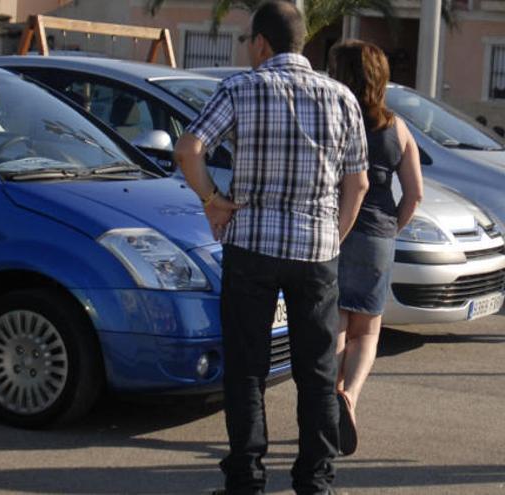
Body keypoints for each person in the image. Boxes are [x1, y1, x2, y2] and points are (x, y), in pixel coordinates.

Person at [173, 2, 370, 494]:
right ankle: (316, 481)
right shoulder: (341, 97)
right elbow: (359, 184)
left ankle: (245, 478)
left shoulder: (240, 88)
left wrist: (212, 201)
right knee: (319, 372)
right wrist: (333, 238)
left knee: (247, 369)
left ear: (261, 42)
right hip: (317, 253)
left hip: (252, 250)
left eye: (247, 42)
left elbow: (188, 148)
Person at [328, 40, 423, 456]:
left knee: (335, 324)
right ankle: (350, 396)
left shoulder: (331, 118)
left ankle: (323, 402)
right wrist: (391, 230)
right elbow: (415, 194)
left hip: (332, 230)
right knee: (367, 330)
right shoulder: (397, 127)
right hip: (378, 235)